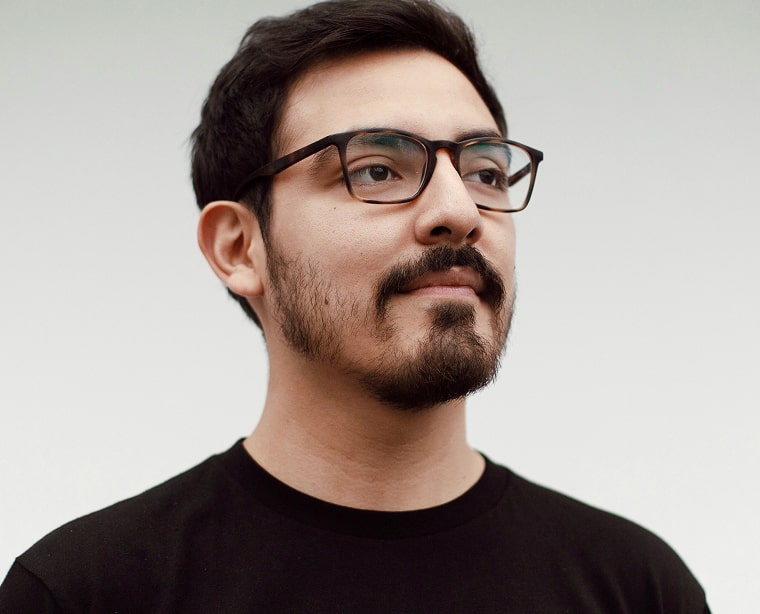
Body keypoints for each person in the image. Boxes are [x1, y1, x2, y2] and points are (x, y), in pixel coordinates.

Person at [0, 0, 709, 611]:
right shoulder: (85, 593)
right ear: (240, 248)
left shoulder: (637, 589)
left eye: (486, 173)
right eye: (376, 168)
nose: (460, 212)